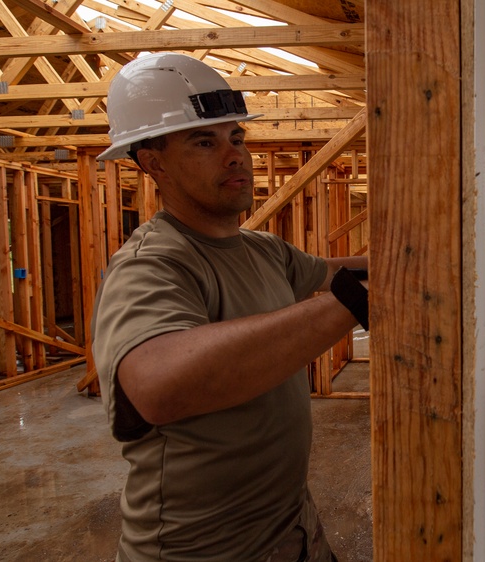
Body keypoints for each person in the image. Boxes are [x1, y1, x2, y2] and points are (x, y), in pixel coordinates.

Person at [91, 53, 368, 562]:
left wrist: (400, 264)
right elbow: (158, 385)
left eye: (236, 138)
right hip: (202, 550)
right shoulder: (151, 264)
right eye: (204, 142)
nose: (234, 155)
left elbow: (333, 271)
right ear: (151, 161)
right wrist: (351, 304)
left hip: (294, 529)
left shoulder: (263, 250)